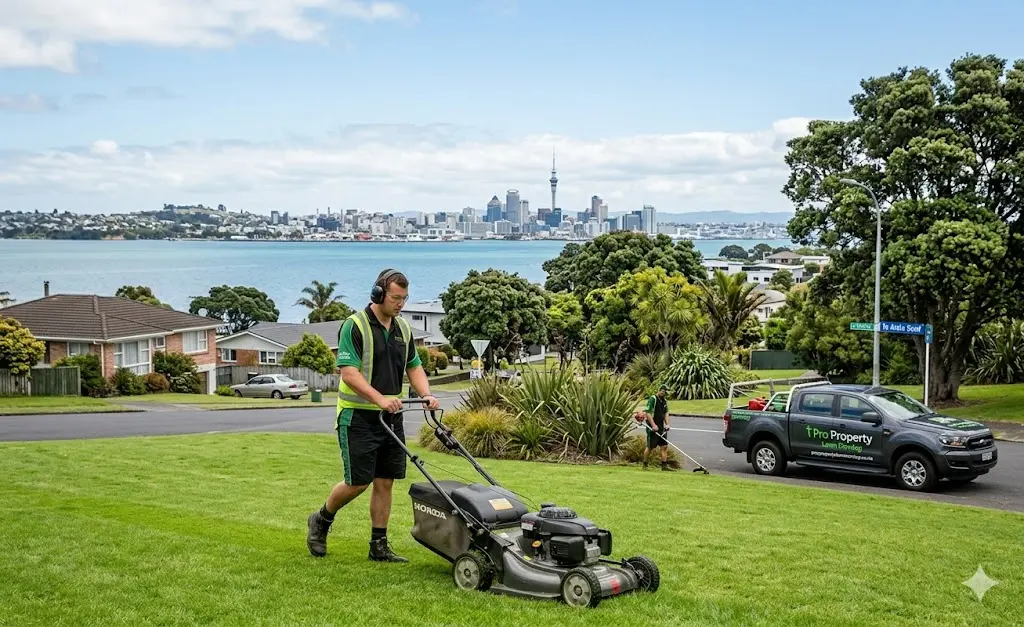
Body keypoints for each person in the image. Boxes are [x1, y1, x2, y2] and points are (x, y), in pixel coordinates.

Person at [306, 269, 441, 563]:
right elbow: (349, 373)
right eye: (395, 298)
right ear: (378, 293)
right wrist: (380, 399)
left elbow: (414, 366)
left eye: (405, 298)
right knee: (358, 482)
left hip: (391, 418)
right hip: (358, 417)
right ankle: (321, 519)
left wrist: (426, 394)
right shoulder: (354, 326)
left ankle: (378, 545)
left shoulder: (403, 329)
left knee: (385, 481)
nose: (401, 304)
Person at [641, 385, 674, 471]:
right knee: (650, 446)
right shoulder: (653, 399)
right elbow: (648, 413)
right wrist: (653, 425)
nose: (664, 393)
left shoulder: (664, 401)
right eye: (663, 391)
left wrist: (667, 424)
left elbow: (666, 412)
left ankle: (664, 466)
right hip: (653, 426)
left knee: (664, 446)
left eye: (665, 392)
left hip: (661, 426)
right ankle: (645, 464)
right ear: (659, 390)